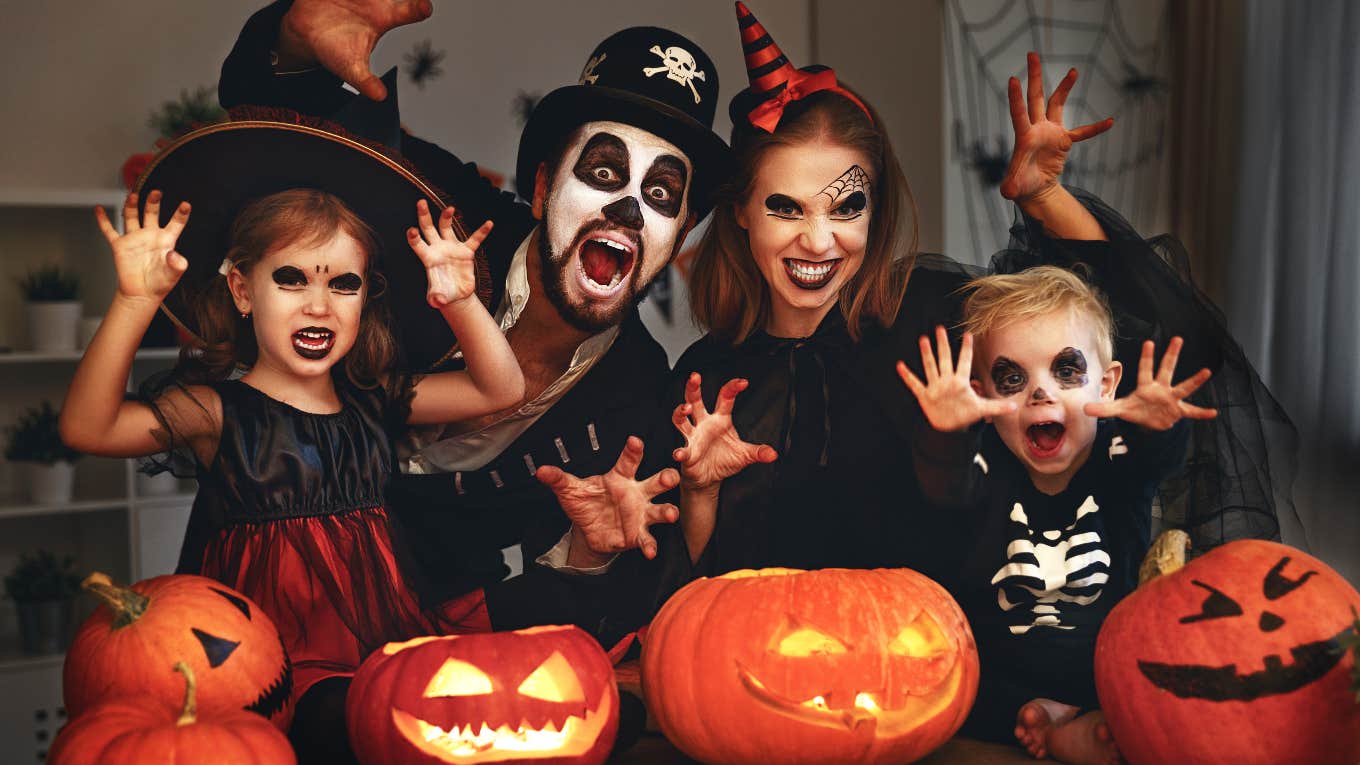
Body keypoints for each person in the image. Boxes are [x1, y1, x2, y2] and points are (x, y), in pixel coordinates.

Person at [217, 0, 729, 641]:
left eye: (660, 196)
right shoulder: (439, 213)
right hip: (262, 585)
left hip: (420, 659)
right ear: (543, 189)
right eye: (603, 172)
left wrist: (587, 556)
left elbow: (564, 597)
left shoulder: (639, 400)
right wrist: (291, 42)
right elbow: (276, 128)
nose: (627, 209)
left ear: (678, 236)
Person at [59, 119, 523, 762]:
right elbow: (86, 427)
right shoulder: (217, 412)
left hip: (381, 644)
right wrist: (136, 300)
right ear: (244, 290)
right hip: (264, 669)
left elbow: (500, 390)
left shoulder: (375, 401)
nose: (319, 304)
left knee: (443, 712)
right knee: (340, 731)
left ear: (365, 301)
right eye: (292, 279)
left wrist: (461, 301)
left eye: (343, 284)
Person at [664, 3, 1117, 581]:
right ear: (742, 214)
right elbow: (691, 593)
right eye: (786, 209)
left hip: (930, 654)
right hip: (764, 658)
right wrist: (700, 494)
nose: (819, 240)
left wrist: (1045, 195)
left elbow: (1087, 311)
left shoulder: (937, 320)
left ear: (875, 211)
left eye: (847, 207)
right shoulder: (707, 379)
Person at [898, 266, 1215, 764]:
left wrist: (1160, 428)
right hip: (996, 678)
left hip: (1102, 676)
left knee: (1143, 713)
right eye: (1011, 378)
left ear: (1107, 386)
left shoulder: (1118, 459)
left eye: (1066, 371)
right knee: (963, 705)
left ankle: (1071, 723)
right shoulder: (984, 466)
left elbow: (1157, 460)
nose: (1040, 392)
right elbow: (945, 486)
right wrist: (947, 433)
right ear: (982, 395)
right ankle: (1051, 723)